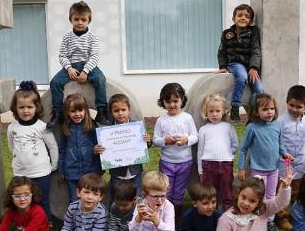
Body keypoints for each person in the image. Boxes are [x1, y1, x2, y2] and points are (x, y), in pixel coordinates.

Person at [48, 1, 109, 128]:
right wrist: (69, 68)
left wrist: (85, 71)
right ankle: (57, 112)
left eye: (83, 19)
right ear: (71, 20)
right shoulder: (67, 37)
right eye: (76, 19)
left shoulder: (92, 37)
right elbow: (62, 55)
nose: (80, 22)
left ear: (88, 21)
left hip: (89, 66)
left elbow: (94, 56)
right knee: (55, 82)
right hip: (71, 66)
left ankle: (102, 110)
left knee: (100, 79)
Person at [238, 93, 292, 231]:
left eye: (272, 109)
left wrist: (285, 154)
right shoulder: (252, 128)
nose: (270, 112)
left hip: (273, 170)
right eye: (265, 109)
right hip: (257, 171)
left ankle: (269, 222)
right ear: (256, 111)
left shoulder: (276, 126)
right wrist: (241, 168)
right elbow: (243, 149)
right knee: (256, 196)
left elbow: (280, 145)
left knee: (271, 197)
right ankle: (254, 221)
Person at [7, 80, 58, 221]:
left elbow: (53, 147)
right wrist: (17, 160)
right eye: (21, 107)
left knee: (42, 201)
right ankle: (25, 225)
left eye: (29, 107)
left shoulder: (42, 127)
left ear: (36, 107)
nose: (25, 111)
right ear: (15, 108)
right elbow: (12, 146)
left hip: (41, 173)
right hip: (20, 173)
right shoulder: (12, 127)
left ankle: (46, 227)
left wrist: (53, 166)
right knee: (24, 203)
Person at [153, 83, 198, 221]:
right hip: (167, 162)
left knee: (179, 192)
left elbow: (195, 136)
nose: (172, 105)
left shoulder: (187, 118)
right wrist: (165, 141)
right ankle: (164, 216)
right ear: (163, 102)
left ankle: (176, 218)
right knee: (166, 190)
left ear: (182, 100)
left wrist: (186, 140)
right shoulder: (161, 120)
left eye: (175, 101)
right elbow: (155, 140)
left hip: (184, 162)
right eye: (168, 101)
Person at [94, 94, 151, 197]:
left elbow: (145, 146)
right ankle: (115, 212)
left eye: (123, 110)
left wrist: (147, 141)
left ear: (129, 110)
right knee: (116, 197)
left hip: (135, 171)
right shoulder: (106, 131)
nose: (120, 113)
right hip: (117, 173)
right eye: (116, 111)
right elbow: (102, 150)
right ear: (111, 113)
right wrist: (97, 149)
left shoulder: (137, 127)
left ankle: (136, 212)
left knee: (137, 197)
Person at [274, 85, 305, 231]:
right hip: (284, 162)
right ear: (286, 103)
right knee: (283, 188)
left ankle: (295, 215)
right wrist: (284, 155)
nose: (294, 109)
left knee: (296, 190)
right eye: (291, 105)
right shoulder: (280, 121)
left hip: (299, 162)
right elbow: (277, 141)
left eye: (299, 106)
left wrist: (302, 150)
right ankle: (281, 216)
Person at [217, 3, 263, 121]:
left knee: (259, 90)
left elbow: (256, 50)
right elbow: (221, 52)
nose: (243, 18)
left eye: (247, 16)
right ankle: (235, 107)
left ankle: (252, 116)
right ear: (234, 18)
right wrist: (223, 66)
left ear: (251, 20)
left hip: (250, 66)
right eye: (240, 15)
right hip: (235, 64)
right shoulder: (227, 34)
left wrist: (254, 68)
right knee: (242, 77)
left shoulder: (253, 32)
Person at [57, 93, 102, 205]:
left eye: (80, 110)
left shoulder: (91, 125)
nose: (77, 114)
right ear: (68, 112)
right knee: (74, 199)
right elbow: (62, 149)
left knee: (91, 197)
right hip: (72, 171)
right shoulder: (66, 127)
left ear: (85, 110)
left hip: (90, 170)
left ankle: (93, 220)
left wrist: (96, 151)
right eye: (73, 111)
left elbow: (98, 145)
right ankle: (76, 221)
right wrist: (61, 169)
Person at [197, 94, 238, 211]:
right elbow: (200, 152)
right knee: (209, 193)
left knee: (227, 192)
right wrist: (200, 171)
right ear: (206, 112)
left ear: (223, 111)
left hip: (225, 165)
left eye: (217, 111)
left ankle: (228, 216)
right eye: (211, 111)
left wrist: (229, 155)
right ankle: (210, 215)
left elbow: (235, 144)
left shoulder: (228, 127)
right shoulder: (203, 129)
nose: (214, 114)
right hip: (208, 166)